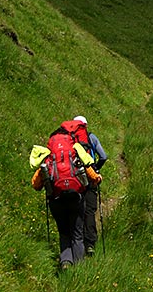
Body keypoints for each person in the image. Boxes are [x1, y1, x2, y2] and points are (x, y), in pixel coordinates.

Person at [31, 122, 102, 270]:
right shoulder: (75, 151)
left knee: (64, 232)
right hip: (76, 198)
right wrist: (97, 179)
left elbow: (36, 184)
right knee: (77, 233)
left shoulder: (48, 156)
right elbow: (91, 175)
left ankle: (66, 262)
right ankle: (79, 268)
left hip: (56, 200)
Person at [73, 115, 108, 255]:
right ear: (85, 125)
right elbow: (103, 156)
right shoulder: (91, 138)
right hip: (90, 176)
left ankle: (77, 241)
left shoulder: (70, 139)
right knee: (89, 210)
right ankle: (90, 244)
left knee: (76, 209)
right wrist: (95, 169)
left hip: (74, 177)